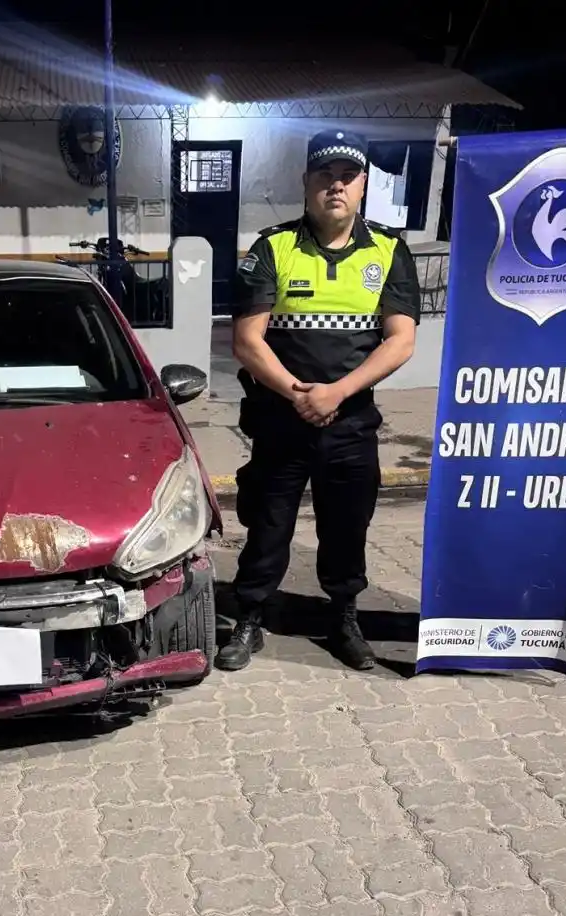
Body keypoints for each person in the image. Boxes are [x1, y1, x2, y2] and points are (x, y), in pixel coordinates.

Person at [217, 129, 421, 672]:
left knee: (347, 527)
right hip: (281, 421)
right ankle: (250, 617)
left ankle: (344, 618)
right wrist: (299, 395)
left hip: (350, 423)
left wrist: (337, 393)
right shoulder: (273, 247)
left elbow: (400, 340)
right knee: (268, 526)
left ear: (363, 186)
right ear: (306, 183)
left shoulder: (389, 251)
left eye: (347, 177)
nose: (336, 186)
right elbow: (247, 341)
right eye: (325, 175)